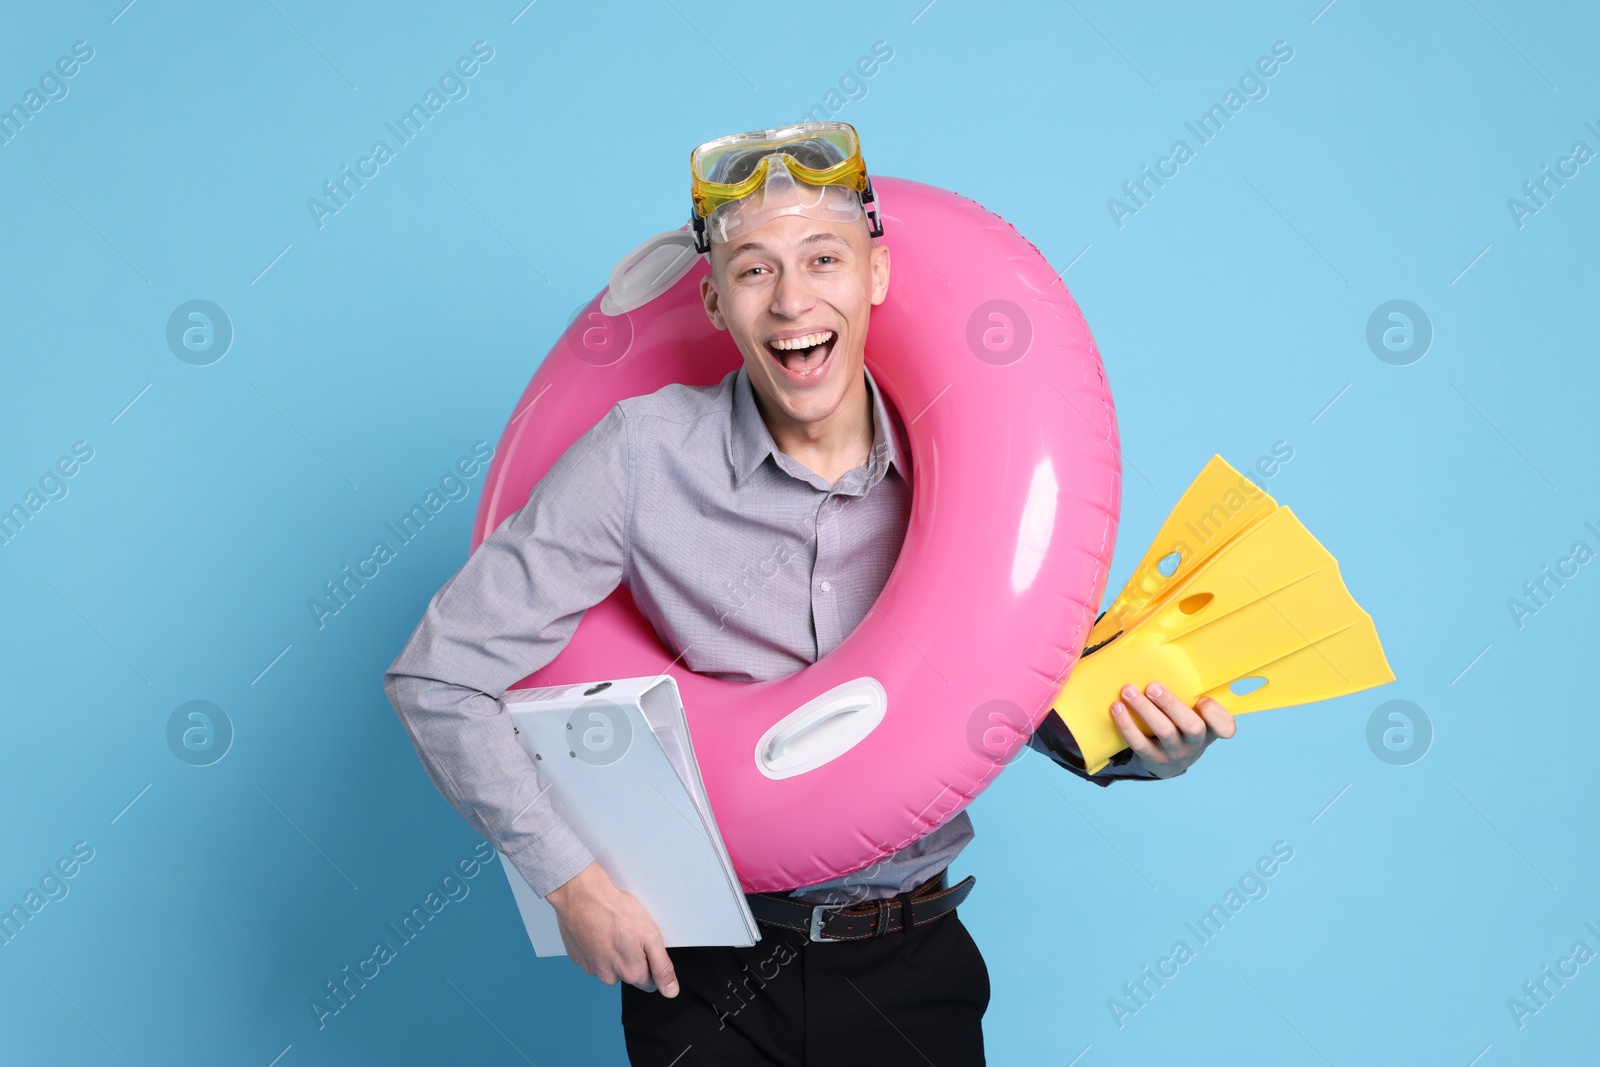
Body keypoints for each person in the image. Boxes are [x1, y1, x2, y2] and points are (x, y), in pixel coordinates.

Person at [382, 121, 1237, 1067]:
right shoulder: (640, 457)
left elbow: (1009, 698)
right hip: (704, 978)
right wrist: (569, 879)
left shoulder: (972, 473)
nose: (793, 300)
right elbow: (438, 675)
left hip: (910, 964)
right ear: (713, 299)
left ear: (874, 276)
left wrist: (1146, 750)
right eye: (753, 270)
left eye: (823, 258)